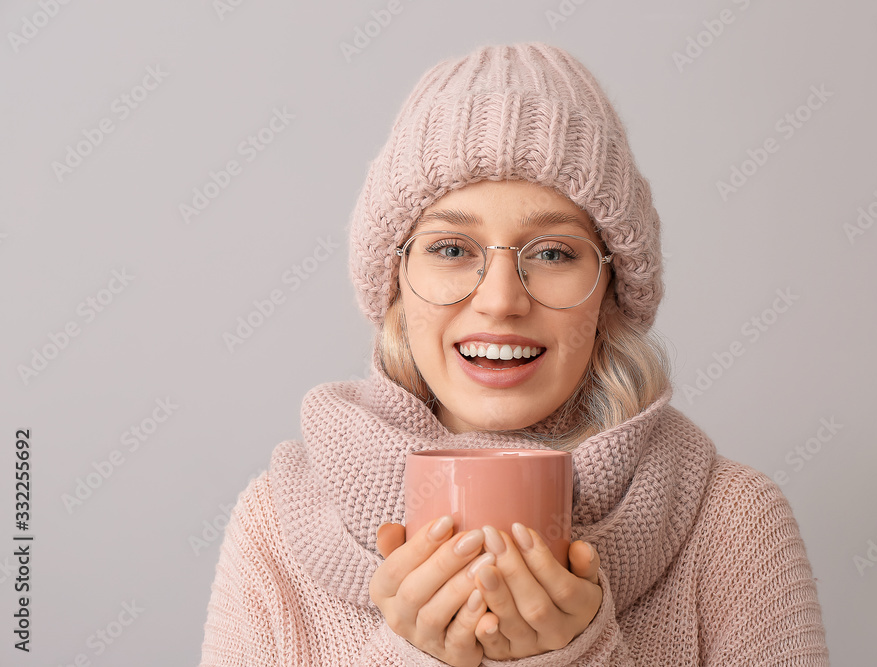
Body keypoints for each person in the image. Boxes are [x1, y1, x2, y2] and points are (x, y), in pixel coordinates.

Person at [198, 42, 830, 666]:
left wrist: (580, 657)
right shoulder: (276, 527)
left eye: (554, 252)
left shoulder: (733, 524)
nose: (500, 301)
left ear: (611, 293)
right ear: (395, 285)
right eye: (450, 249)